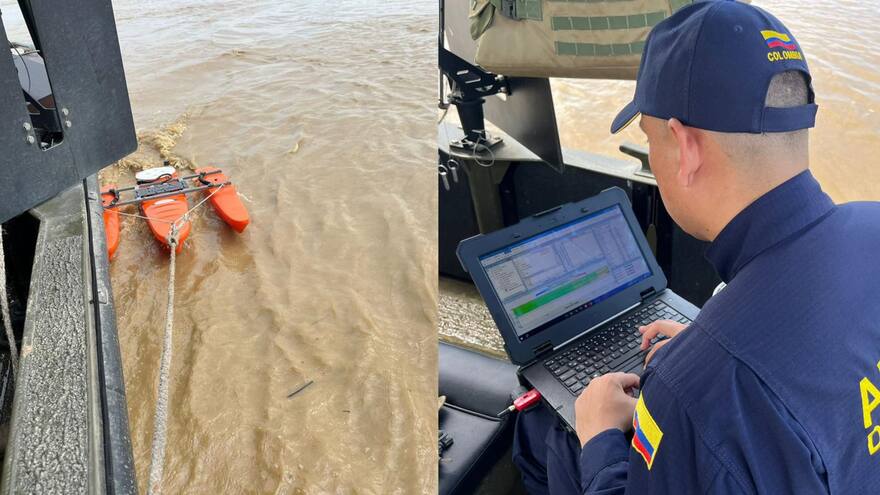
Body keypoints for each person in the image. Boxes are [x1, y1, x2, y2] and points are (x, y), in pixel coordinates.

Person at [512, 1, 880, 493]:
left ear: (685, 147)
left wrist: (600, 436)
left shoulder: (692, 394)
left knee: (540, 434)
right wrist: (705, 341)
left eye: (649, 138)